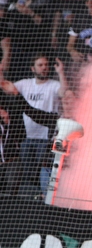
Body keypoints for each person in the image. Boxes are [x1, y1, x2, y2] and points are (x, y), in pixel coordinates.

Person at [10, 53, 63, 196]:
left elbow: (65, 93)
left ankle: (44, 197)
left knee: (44, 170)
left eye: (46, 65)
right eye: (40, 65)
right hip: (28, 138)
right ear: (32, 68)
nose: (44, 68)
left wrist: (61, 73)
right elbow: (6, 87)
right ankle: (37, 196)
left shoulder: (54, 85)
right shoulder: (25, 83)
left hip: (46, 139)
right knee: (29, 173)